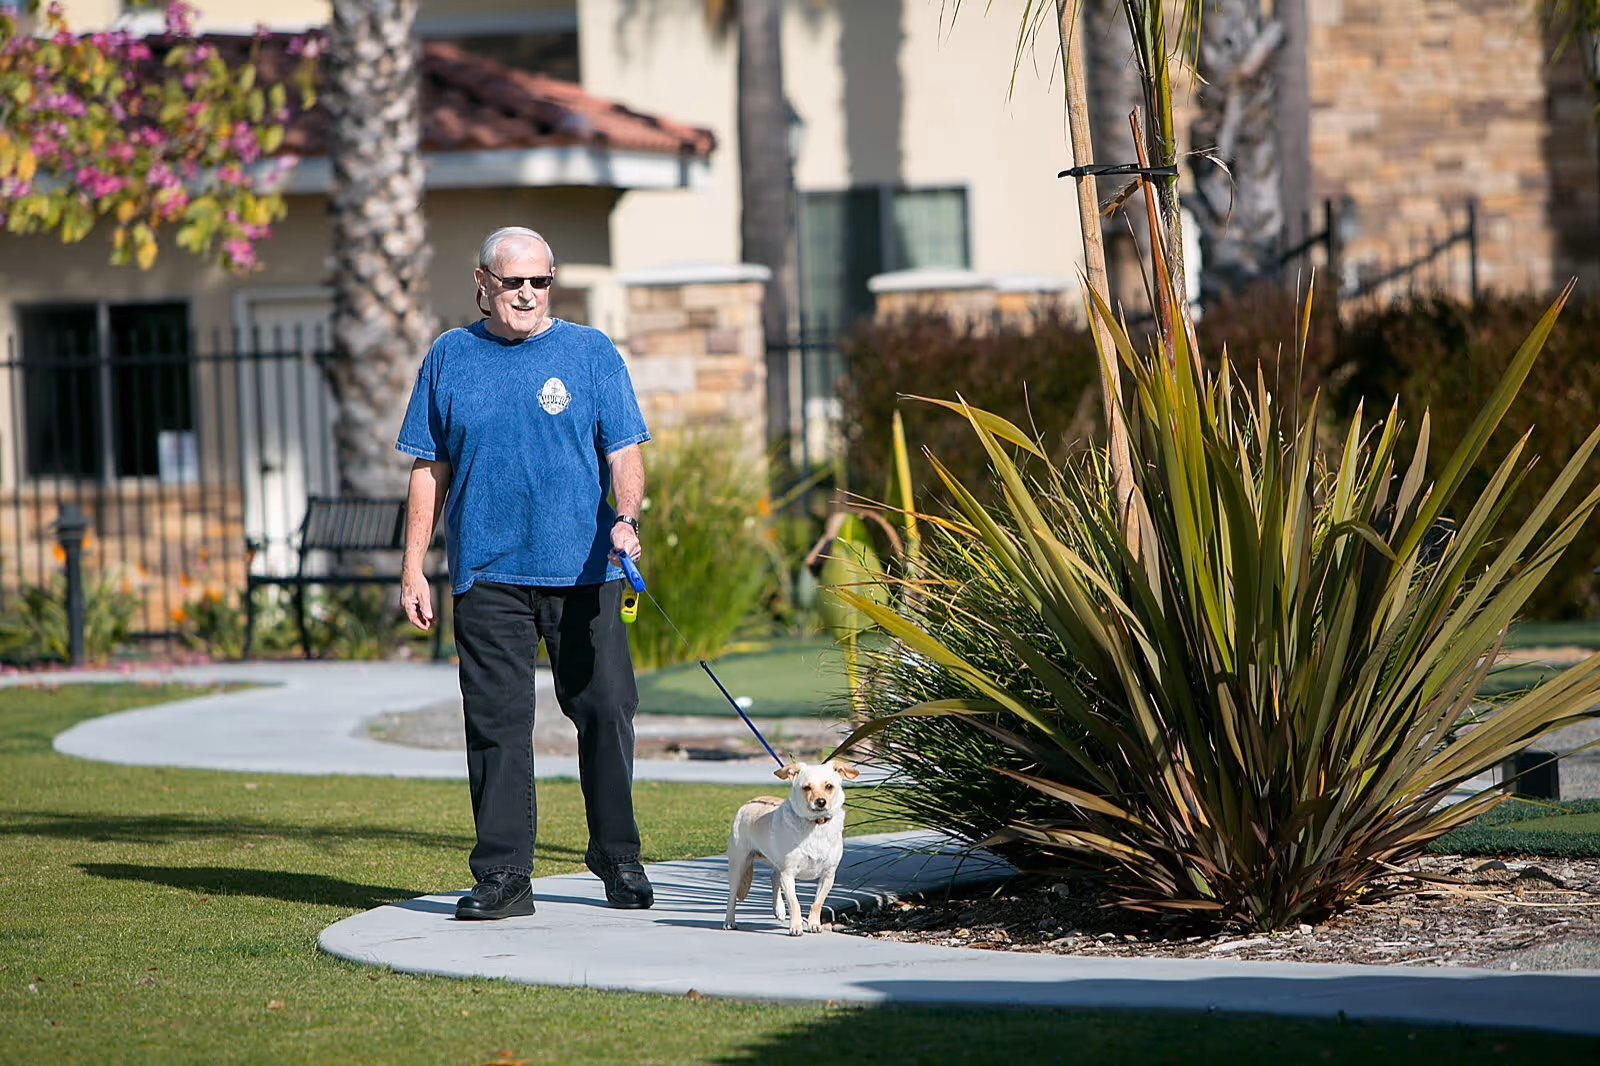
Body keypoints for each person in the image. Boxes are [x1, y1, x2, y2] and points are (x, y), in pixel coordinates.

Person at [396, 226, 653, 920]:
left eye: (540, 282)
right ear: (483, 283)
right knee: (498, 725)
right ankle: (504, 876)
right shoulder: (450, 357)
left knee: (605, 710)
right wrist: (413, 565)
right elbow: (429, 468)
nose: (528, 295)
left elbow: (625, 450)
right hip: (488, 575)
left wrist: (626, 519)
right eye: (514, 282)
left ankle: (618, 855)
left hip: (586, 571)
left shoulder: (591, 353)